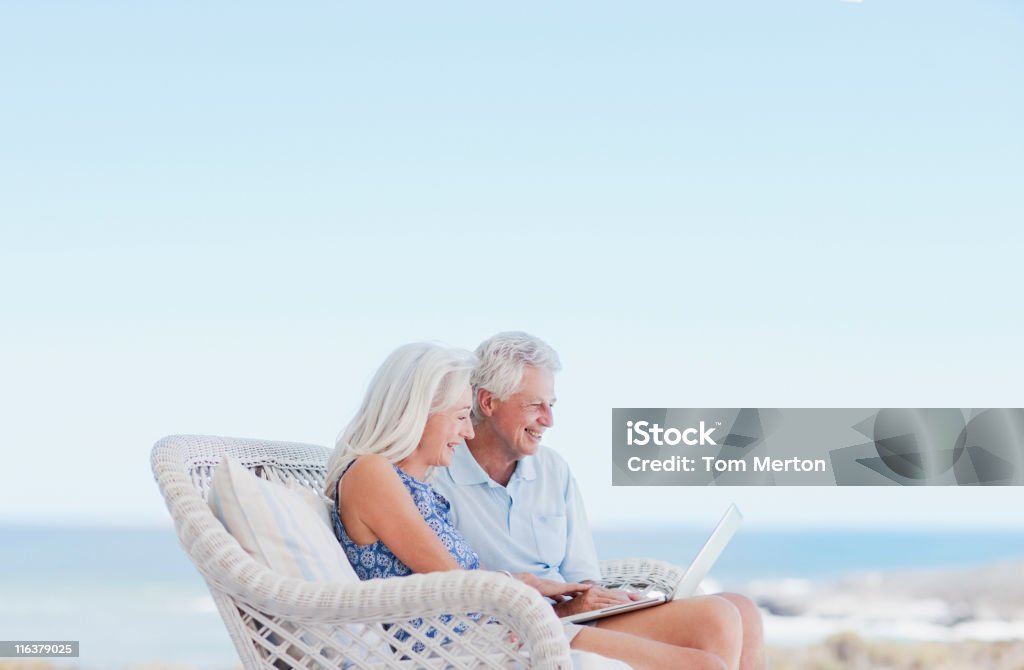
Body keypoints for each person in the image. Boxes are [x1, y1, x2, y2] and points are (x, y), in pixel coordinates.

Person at [325, 342, 738, 669]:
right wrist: (528, 586)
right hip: (474, 645)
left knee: (711, 650)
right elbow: (457, 582)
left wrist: (532, 585)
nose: (467, 430)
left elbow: (459, 577)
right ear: (418, 412)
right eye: (458, 416)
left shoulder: (413, 485)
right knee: (703, 664)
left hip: (500, 630)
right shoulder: (372, 473)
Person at [432, 332, 766, 670]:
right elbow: (461, 591)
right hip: (524, 629)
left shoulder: (552, 469)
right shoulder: (439, 476)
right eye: (535, 405)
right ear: (488, 403)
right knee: (717, 617)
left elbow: (582, 574)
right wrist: (565, 608)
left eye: (551, 405)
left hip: (579, 617)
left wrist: (604, 600)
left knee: (743, 609)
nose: (549, 420)